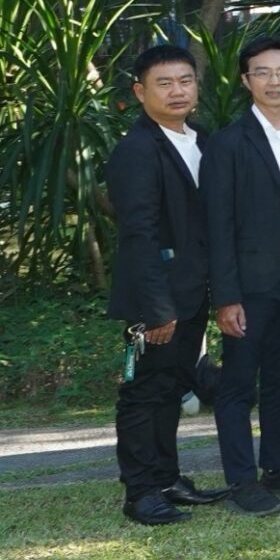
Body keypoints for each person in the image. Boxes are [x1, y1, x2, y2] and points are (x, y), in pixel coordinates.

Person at [202, 36, 280, 515]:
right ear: (245, 79)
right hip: (250, 285)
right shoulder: (227, 143)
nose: (275, 81)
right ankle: (242, 480)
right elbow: (217, 227)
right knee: (237, 384)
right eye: (263, 72)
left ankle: (279, 467)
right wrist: (226, 297)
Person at [106, 44, 222, 525]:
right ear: (140, 92)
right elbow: (139, 235)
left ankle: (167, 478)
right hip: (158, 300)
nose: (177, 91)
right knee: (144, 393)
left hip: (193, 293)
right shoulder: (137, 150)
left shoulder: (202, 139)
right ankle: (141, 493)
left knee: (173, 387)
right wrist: (156, 309)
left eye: (185, 81)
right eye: (164, 83)